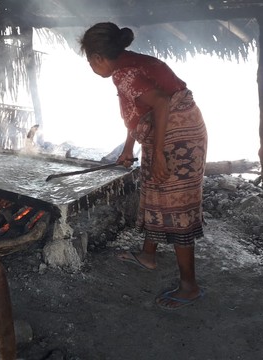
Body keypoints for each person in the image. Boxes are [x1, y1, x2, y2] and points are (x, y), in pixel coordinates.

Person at [80, 22, 208, 310]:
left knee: (175, 204)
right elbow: (140, 110)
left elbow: (161, 103)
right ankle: (148, 255)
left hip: (177, 137)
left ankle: (189, 286)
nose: (91, 67)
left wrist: (160, 153)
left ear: (98, 58)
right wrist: (128, 148)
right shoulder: (128, 64)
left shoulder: (124, 73)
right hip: (169, 132)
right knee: (153, 189)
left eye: (89, 61)